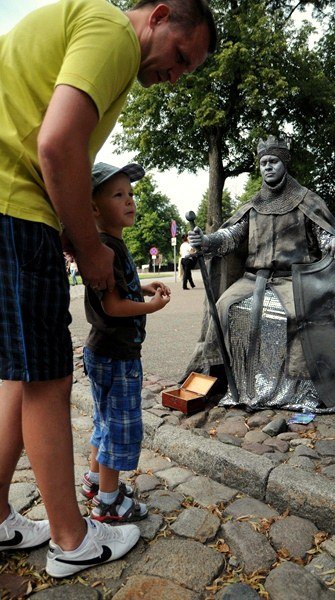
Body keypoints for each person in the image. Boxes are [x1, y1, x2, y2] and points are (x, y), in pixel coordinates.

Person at [0, 0, 216, 578]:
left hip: (12, 209)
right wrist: (87, 243)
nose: (173, 77)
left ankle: (0, 514)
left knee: (20, 376)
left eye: (185, 73)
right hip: (16, 207)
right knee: (47, 377)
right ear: (160, 15)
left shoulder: (83, 26)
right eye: (179, 58)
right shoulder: (113, 32)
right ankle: (72, 538)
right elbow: (57, 143)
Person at [186, 135, 335, 413]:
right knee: (222, 308)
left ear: (284, 163)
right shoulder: (253, 204)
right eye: (263, 163)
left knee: (304, 315)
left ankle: (305, 391)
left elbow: (324, 237)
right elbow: (231, 236)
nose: (268, 167)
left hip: (297, 280)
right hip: (252, 280)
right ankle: (225, 382)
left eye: (273, 161)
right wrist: (206, 241)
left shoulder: (306, 200)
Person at [81, 161, 170, 523]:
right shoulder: (106, 247)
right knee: (120, 427)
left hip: (105, 352)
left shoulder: (113, 243)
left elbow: (120, 289)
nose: (130, 201)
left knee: (104, 421)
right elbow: (113, 304)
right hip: (116, 356)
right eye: (118, 195)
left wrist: (144, 287)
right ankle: (107, 501)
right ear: (94, 207)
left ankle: (93, 480)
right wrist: (150, 306)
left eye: (131, 193)